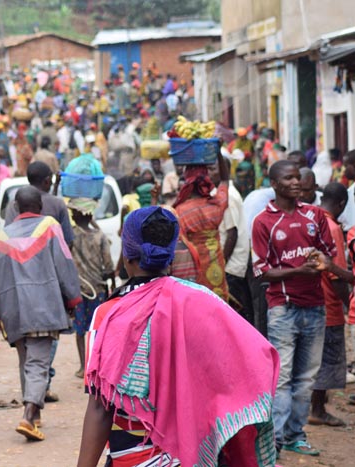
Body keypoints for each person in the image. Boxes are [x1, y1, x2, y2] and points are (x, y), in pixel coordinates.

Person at [77, 206, 279, 467]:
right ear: (171, 256)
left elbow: (100, 407)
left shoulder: (110, 314)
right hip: (196, 455)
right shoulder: (205, 303)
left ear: (126, 256)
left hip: (133, 456)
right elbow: (249, 365)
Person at [0, 186, 81, 442]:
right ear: (40, 205)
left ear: (16, 206)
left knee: (26, 363)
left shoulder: (2, 236)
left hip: (14, 310)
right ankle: (27, 415)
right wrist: (72, 298)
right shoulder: (50, 226)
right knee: (38, 364)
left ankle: (34, 416)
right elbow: (65, 265)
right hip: (44, 305)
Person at [252, 159, 337, 456]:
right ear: (274, 184)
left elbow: (329, 254)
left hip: (315, 306)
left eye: (297, 177)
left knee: (306, 378)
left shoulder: (316, 216)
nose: (296, 182)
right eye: (288, 178)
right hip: (283, 308)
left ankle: (295, 435)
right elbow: (263, 271)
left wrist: (321, 261)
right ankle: (273, 438)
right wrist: (300, 271)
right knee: (283, 376)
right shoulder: (264, 221)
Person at [4, 161, 75, 402]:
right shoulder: (55, 207)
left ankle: (32, 399)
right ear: (48, 180)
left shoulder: (13, 208)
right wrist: (71, 295)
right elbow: (67, 248)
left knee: (25, 356)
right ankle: (34, 402)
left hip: (15, 289)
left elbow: (6, 251)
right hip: (47, 288)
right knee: (41, 351)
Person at [309, 182, 349, 428]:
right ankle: (318, 410)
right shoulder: (332, 228)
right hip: (328, 304)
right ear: (342, 204)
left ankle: (314, 407)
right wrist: (347, 303)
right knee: (327, 359)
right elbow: (336, 274)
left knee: (314, 358)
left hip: (311, 299)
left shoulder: (310, 218)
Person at [68, 198, 113, 379]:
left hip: (79, 289)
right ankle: (97, 365)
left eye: (74, 213)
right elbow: (108, 266)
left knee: (80, 331)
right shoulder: (99, 236)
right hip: (98, 289)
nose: (71, 215)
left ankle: (83, 366)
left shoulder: (72, 236)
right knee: (97, 330)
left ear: (78, 215)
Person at [173, 159, 229, 301]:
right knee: (218, 302)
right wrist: (218, 153)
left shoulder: (181, 211)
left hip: (195, 265)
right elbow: (225, 180)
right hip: (217, 264)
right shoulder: (216, 205)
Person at [208, 158, 251, 320]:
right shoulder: (222, 193)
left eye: (213, 169)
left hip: (230, 267)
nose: (209, 173)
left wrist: (221, 263)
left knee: (233, 314)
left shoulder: (229, 197)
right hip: (229, 265)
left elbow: (232, 233)